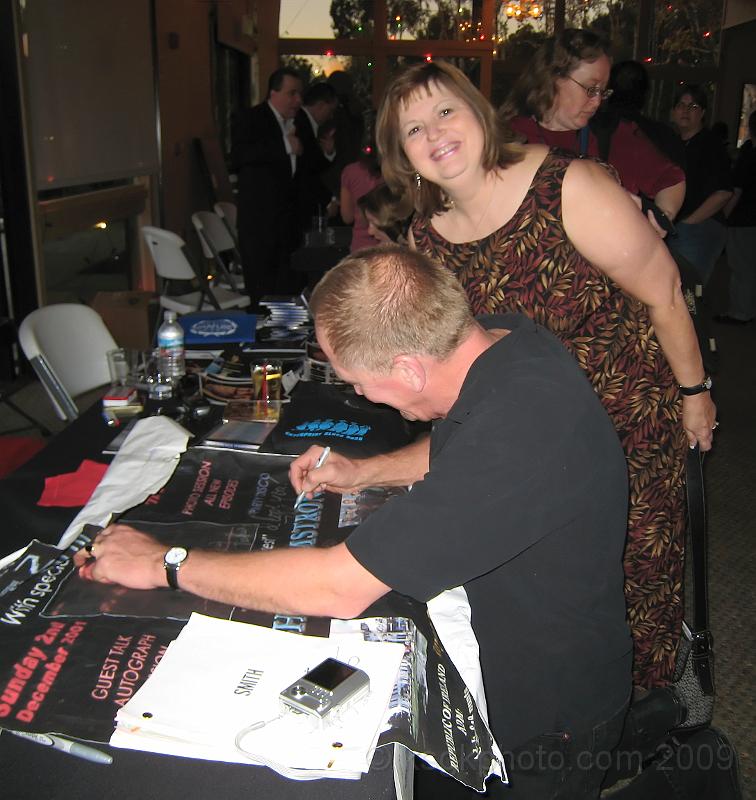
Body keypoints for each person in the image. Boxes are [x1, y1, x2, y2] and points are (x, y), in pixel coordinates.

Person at [74, 245, 633, 799]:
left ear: (409, 368)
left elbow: (340, 587)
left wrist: (163, 564)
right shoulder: (503, 343)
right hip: (527, 654)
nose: (360, 394)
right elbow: (463, 443)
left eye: (358, 382)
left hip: (552, 712)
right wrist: (365, 473)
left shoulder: (520, 432)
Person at [376, 59, 717, 690]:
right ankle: (570, 723)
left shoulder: (568, 184)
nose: (435, 134)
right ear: (401, 153)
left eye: (445, 110)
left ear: (478, 112)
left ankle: (642, 721)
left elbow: (665, 290)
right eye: (413, 129)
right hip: (529, 443)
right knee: (547, 591)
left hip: (625, 421)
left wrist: (695, 393)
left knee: (631, 580)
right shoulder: (427, 237)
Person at [502, 29, 686, 225]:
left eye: (603, 91)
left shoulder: (611, 133)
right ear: (554, 78)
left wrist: (661, 217)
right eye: (591, 89)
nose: (597, 101)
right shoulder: (509, 135)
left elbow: (671, 179)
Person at [230, 67, 304, 307]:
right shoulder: (251, 118)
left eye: (299, 94)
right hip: (259, 223)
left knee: (284, 290)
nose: (298, 100)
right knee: (261, 291)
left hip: (285, 223)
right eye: (292, 93)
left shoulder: (295, 122)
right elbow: (240, 156)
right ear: (273, 92)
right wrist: (284, 145)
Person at [669, 84, 734, 287]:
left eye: (693, 106)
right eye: (681, 105)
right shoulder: (672, 144)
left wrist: (689, 223)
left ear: (703, 112)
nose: (686, 111)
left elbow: (724, 192)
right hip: (679, 227)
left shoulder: (711, 145)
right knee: (675, 289)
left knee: (689, 290)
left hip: (699, 227)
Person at [717, 110, 756, 324]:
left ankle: (741, 312)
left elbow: (736, 190)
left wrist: (724, 217)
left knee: (742, 268)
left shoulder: (749, 156)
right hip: (750, 219)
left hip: (744, 220)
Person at [295, 81, 339, 232]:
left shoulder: (305, 123)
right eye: (330, 110)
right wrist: (328, 199)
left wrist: (328, 153)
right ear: (320, 105)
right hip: (299, 202)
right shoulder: (300, 123)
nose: (331, 116)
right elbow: (306, 170)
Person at [339, 144, 384, 251]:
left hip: (361, 246)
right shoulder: (395, 170)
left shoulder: (350, 171)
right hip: (390, 243)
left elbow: (347, 217)